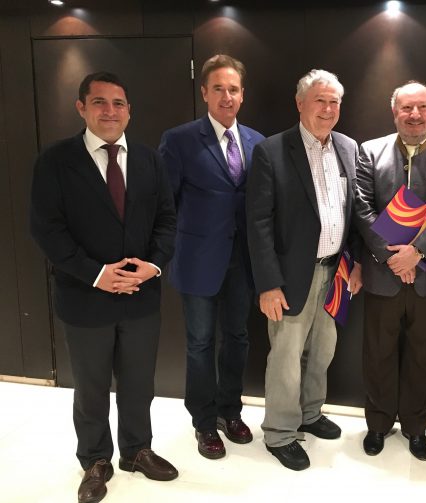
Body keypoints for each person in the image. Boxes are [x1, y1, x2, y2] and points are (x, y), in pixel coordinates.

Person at [30, 72, 178, 503]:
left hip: (140, 297)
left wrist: (153, 265)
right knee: (91, 386)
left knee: (139, 383)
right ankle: (95, 460)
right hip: (84, 297)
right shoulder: (55, 161)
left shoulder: (150, 160)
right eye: (99, 102)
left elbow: (167, 220)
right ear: (82, 108)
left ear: (129, 111)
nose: (109, 111)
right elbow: (47, 229)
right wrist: (95, 274)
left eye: (118, 103)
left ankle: (136, 450)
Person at [246, 69, 362, 471]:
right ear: (300, 104)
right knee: (286, 356)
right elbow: (258, 223)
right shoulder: (272, 151)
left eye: (334, 102)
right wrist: (268, 284)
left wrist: (356, 264)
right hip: (291, 276)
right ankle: (280, 433)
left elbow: (354, 211)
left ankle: (310, 413)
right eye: (319, 101)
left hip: (336, 272)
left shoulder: (348, 147)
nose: (328, 109)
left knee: (323, 350)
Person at [158, 54, 265, 459]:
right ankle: (204, 422)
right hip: (197, 260)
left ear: (243, 94)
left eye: (233, 89)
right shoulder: (180, 140)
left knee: (237, 338)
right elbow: (165, 204)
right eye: (218, 88)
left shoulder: (257, 142)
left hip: (243, 262)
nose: (226, 96)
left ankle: (230, 410)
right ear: (204, 92)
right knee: (200, 343)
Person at [355, 81, 426, 460]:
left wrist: (416, 253)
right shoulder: (370, 151)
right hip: (382, 274)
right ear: (394, 112)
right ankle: (378, 423)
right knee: (378, 354)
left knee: (423, 356)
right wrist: (392, 257)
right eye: (406, 108)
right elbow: (362, 207)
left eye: (422, 107)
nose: (414, 115)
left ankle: (416, 428)